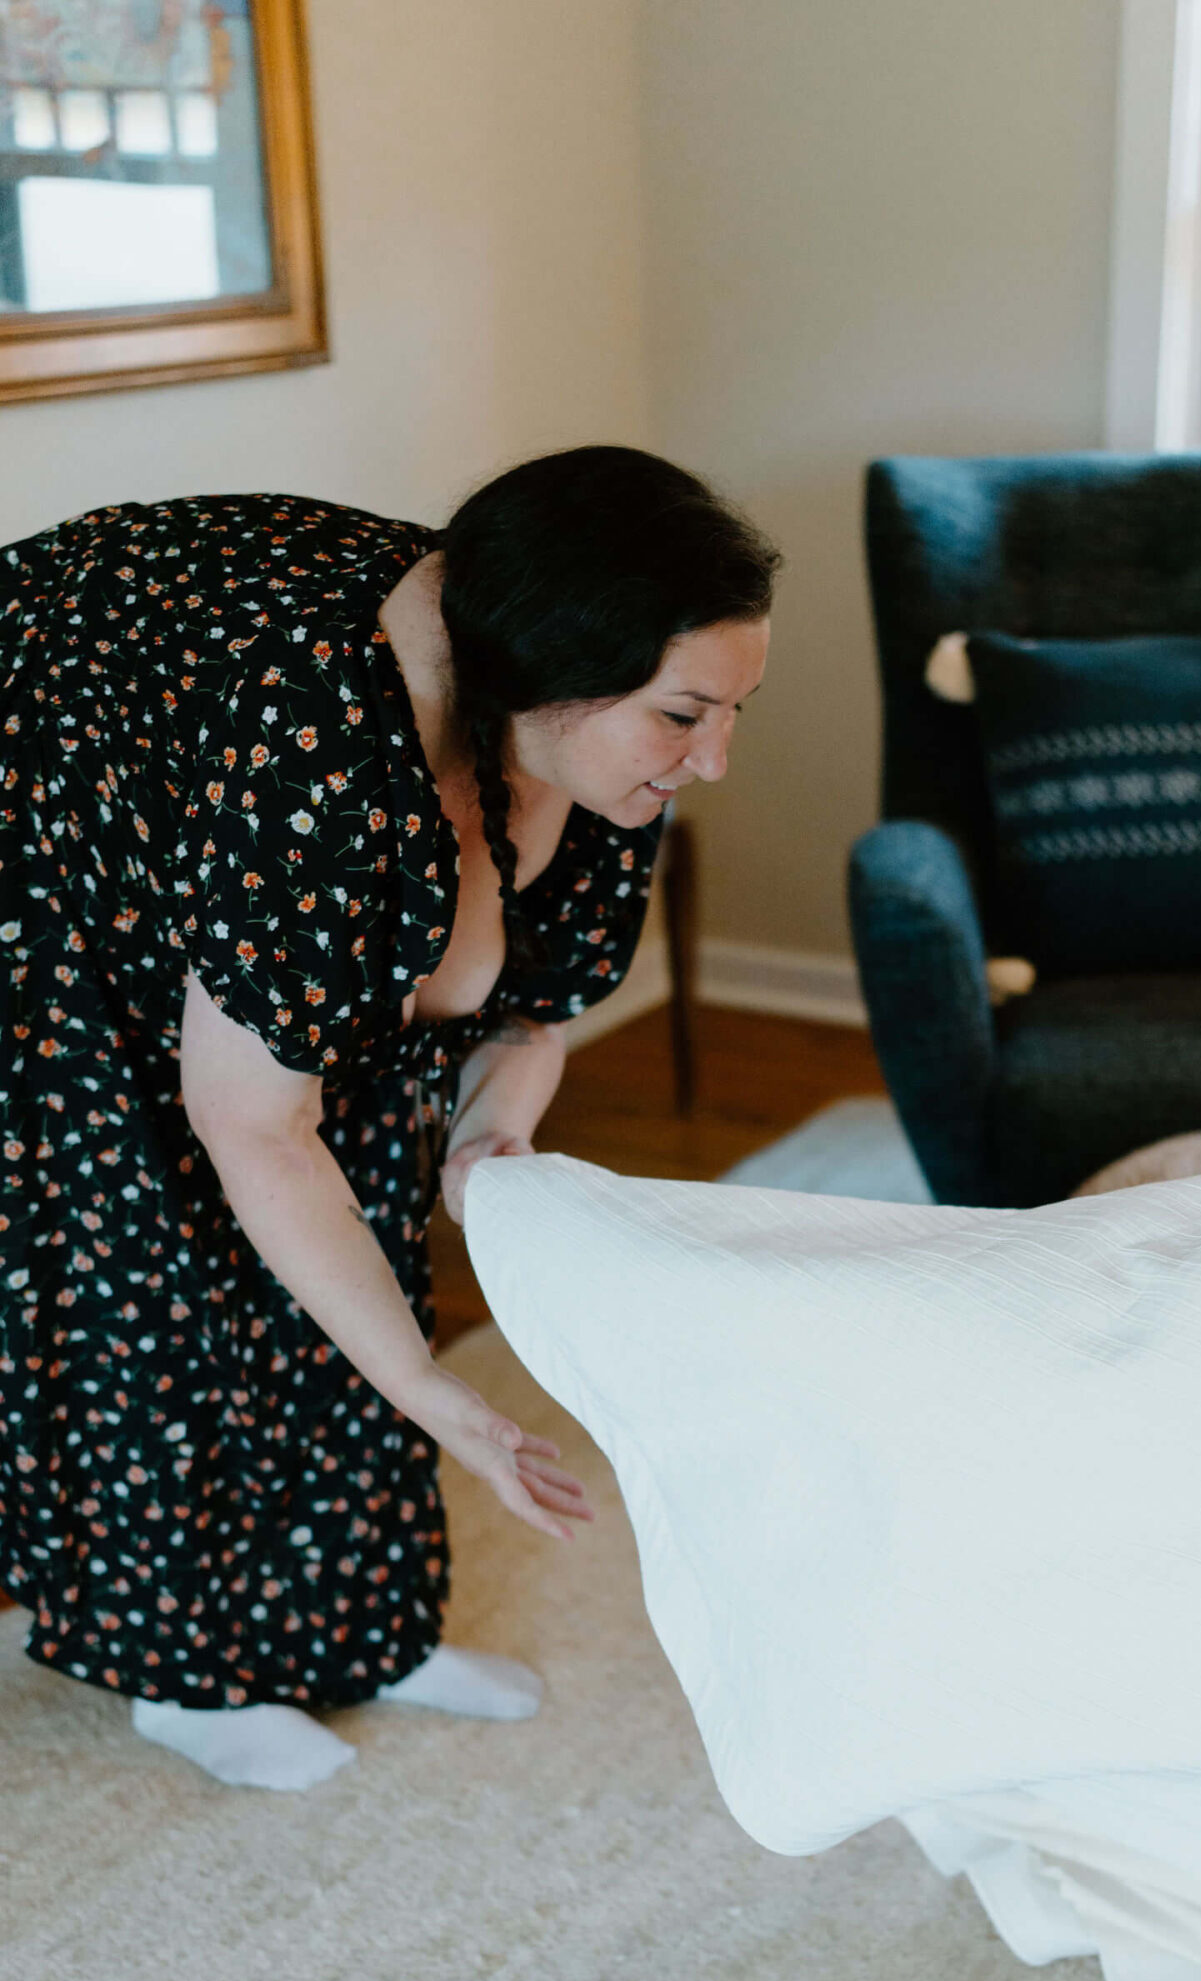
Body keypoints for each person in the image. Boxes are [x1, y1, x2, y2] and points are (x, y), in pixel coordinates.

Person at [0, 447, 777, 1791]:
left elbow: (526, 1011)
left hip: (274, 825)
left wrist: (490, 1137)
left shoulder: (589, 750)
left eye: (730, 711)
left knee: (369, 1193)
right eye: (684, 715)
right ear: (556, 676)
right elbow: (254, 1128)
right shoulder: (318, 747)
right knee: (169, 1247)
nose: (713, 759)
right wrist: (436, 1397)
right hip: (52, 791)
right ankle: (185, 1671)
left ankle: (361, 1629)